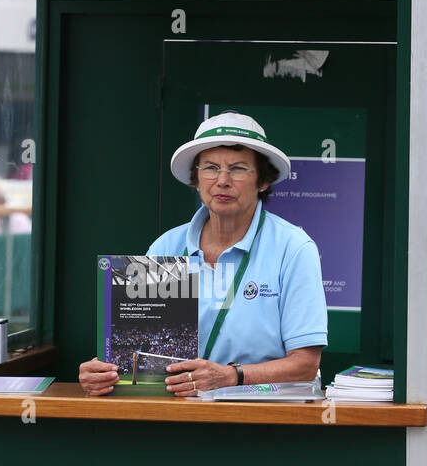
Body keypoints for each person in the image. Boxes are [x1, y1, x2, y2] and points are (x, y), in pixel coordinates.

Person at [79, 112, 328, 397]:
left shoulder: (293, 248)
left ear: (263, 181)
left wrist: (230, 376)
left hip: (267, 421)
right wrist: (105, 373)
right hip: (182, 418)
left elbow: (306, 364)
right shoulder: (166, 247)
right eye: (210, 167)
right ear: (196, 179)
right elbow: (139, 360)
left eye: (237, 169)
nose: (222, 180)